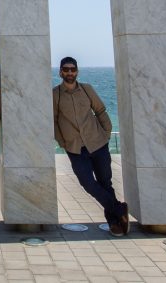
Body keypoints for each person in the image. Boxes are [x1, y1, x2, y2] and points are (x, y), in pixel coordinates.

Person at [53, 56, 130, 236]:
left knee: (105, 183)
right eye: (66, 69)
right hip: (75, 148)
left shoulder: (87, 90)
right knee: (87, 183)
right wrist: (62, 141)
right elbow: (54, 121)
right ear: (60, 72)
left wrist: (106, 132)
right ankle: (120, 209)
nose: (69, 72)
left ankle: (114, 222)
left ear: (77, 71)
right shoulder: (55, 94)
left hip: (98, 143)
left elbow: (100, 110)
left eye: (72, 69)